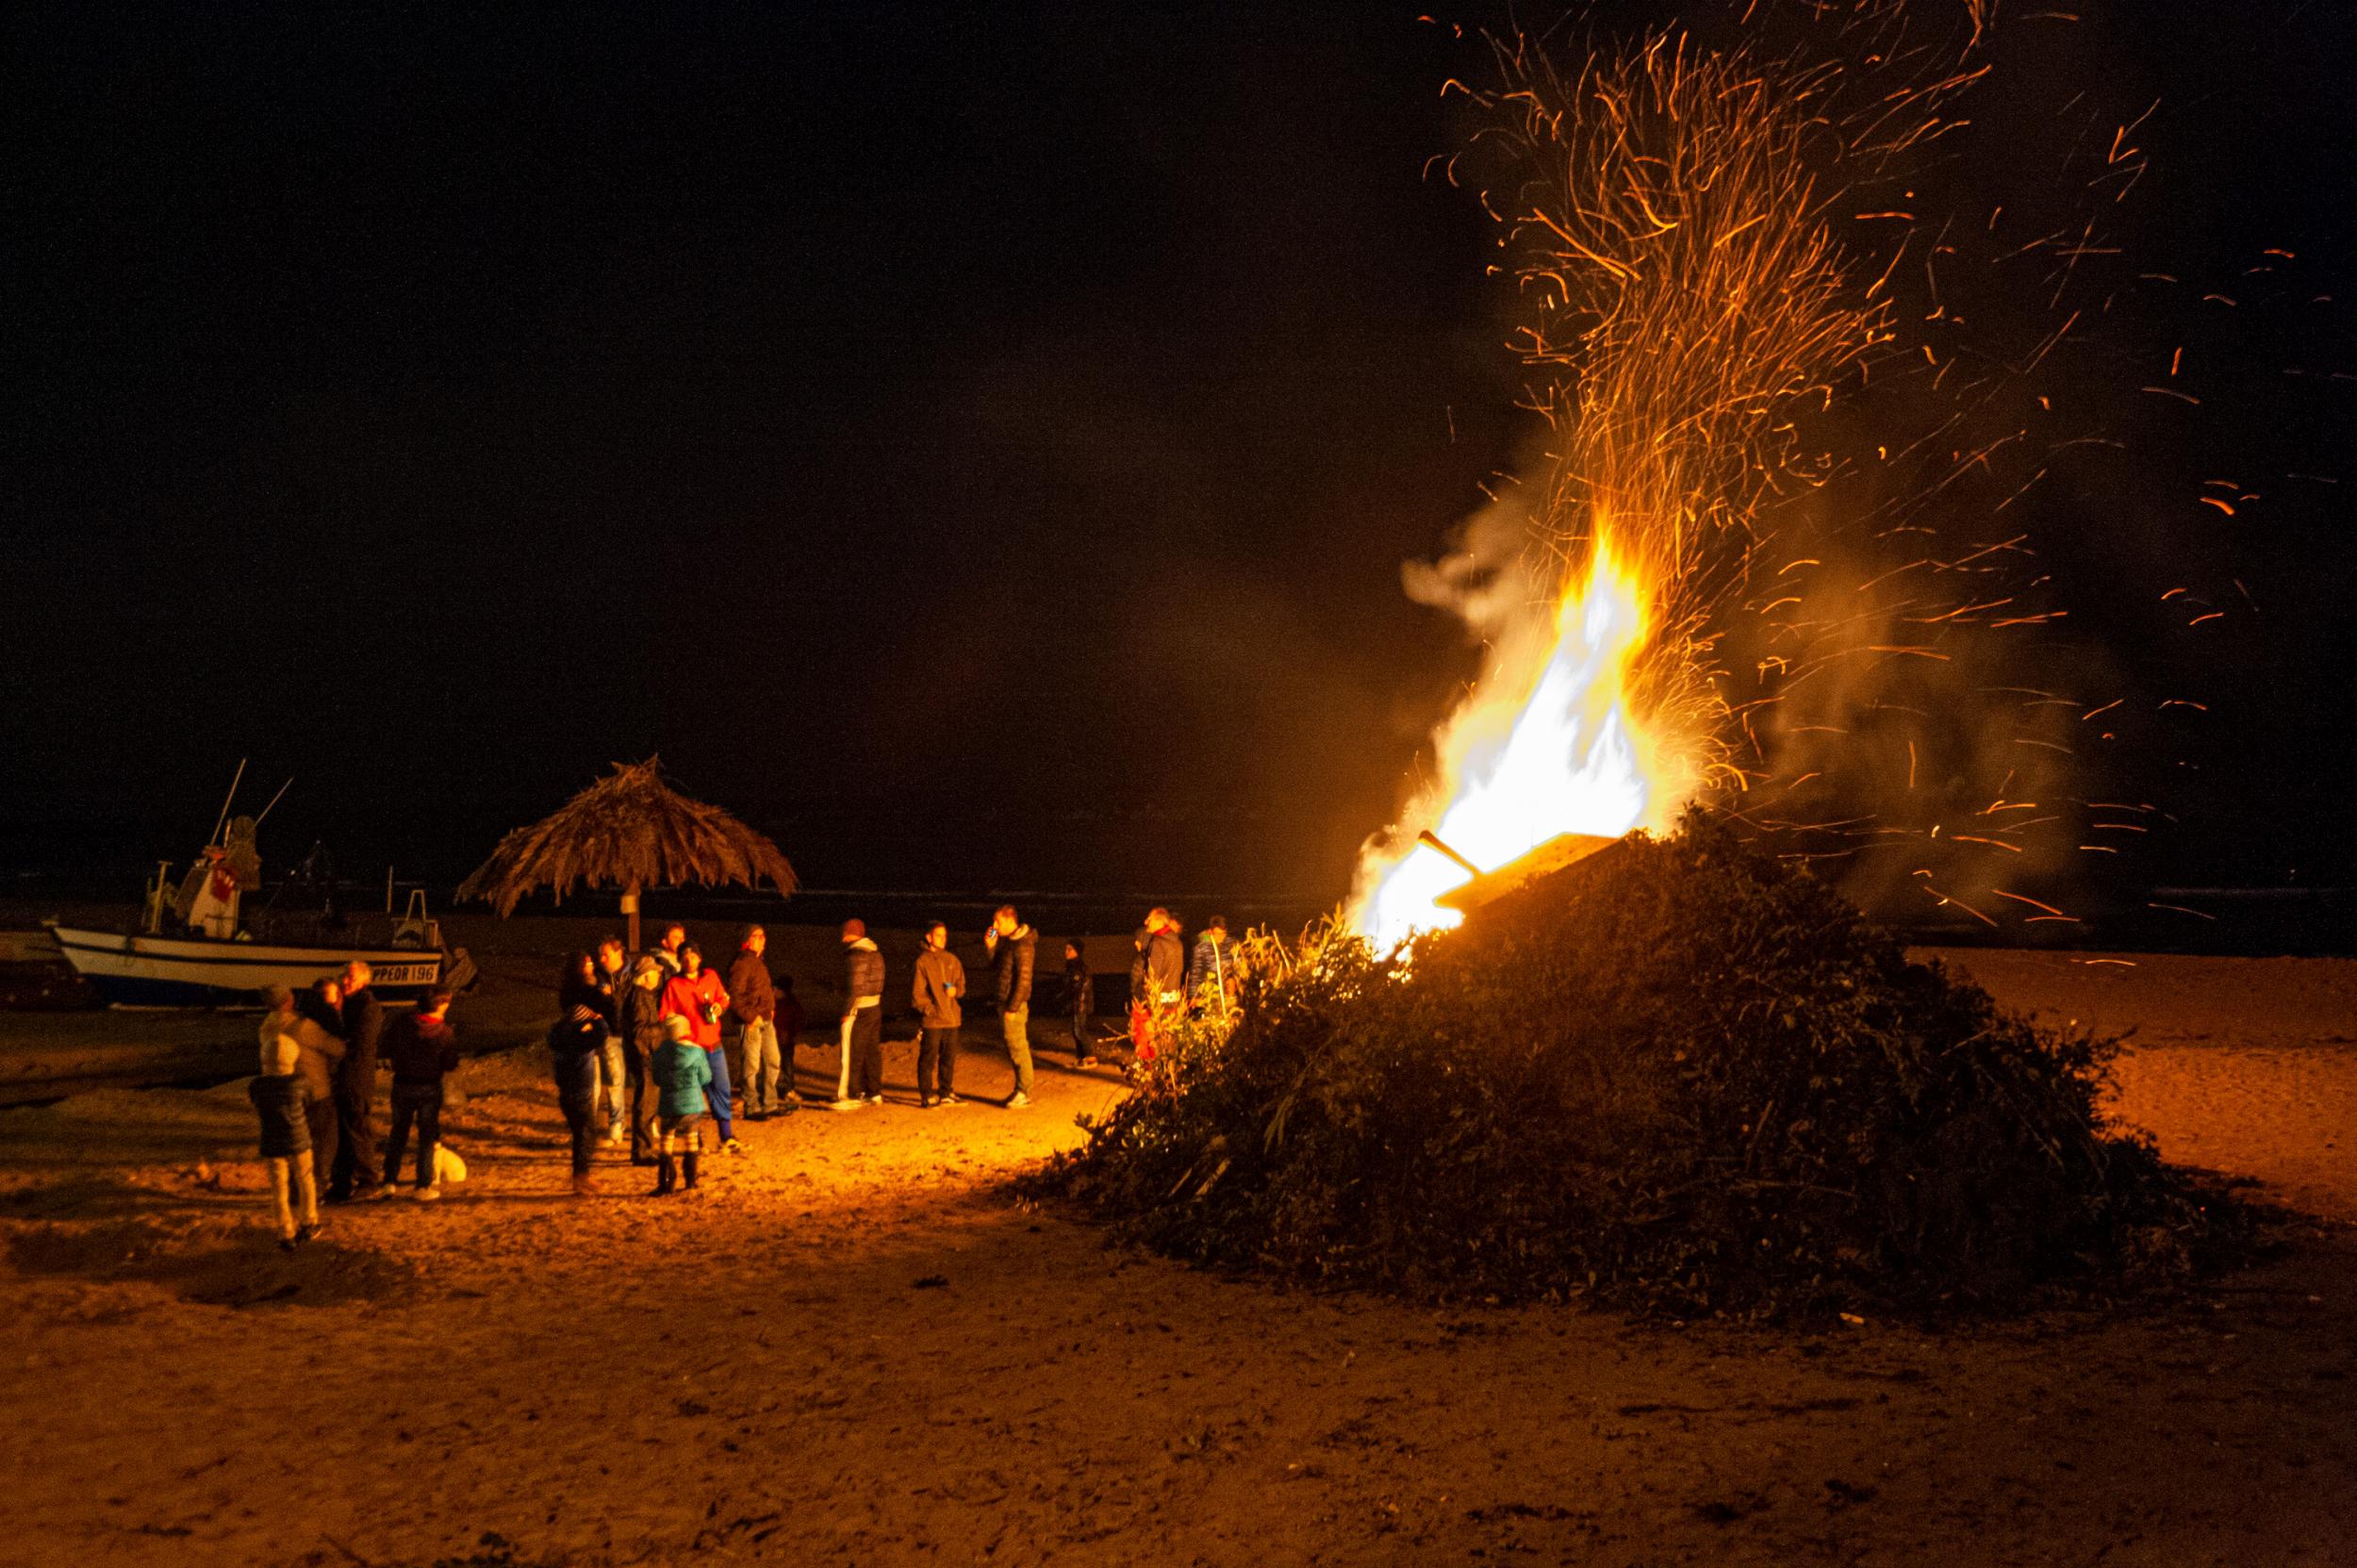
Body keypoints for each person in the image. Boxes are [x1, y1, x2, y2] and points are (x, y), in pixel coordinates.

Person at [253, 987, 321, 1249]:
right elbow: (310, 1097)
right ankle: (309, 1221)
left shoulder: (258, 1087)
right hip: (299, 1140)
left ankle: (285, 1232)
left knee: (278, 1188)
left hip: (271, 1142)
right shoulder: (299, 1083)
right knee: (305, 1180)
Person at [381, 989, 460, 1198]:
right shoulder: (443, 1033)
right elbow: (450, 1063)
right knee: (426, 1136)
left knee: (398, 1132)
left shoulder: (402, 1024)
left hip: (402, 1084)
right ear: (440, 1006)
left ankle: (389, 1181)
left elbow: (386, 1046)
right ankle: (422, 1184)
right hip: (429, 1086)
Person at [662, 942, 741, 1151]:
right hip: (690, 1050)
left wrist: (720, 1006)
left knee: (722, 1090)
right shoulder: (674, 985)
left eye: (693, 956)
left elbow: (723, 999)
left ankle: (726, 1137)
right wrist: (679, 1034)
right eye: (685, 957)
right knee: (693, 1095)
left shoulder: (710, 977)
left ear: (700, 958)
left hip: (714, 1045)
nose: (690, 961)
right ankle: (695, 1140)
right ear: (680, 961)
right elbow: (665, 1015)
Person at [326, 960, 386, 1202]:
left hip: (356, 1078)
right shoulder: (347, 1004)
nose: (346, 981)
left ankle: (368, 1180)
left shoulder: (368, 1008)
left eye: (351, 977)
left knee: (358, 1128)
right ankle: (341, 1182)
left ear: (364, 981)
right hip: (343, 1078)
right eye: (344, 976)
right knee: (342, 1131)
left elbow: (359, 1043)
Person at [552, 952, 607, 1195]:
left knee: (583, 1135)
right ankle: (580, 1178)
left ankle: (582, 1176)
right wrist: (598, 1021)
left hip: (569, 1091)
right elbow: (601, 1033)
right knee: (585, 1135)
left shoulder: (561, 1036)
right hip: (579, 1091)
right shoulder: (579, 1041)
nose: (591, 967)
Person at [294, 977, 347, 1197]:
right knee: (323, 1140)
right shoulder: (313, 1026)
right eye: (322, 996)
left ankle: (299, 1187)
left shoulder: (290, 1023)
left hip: (303, 1090)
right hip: (318, 1090)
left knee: (304, 1141)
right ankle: (313, 1187)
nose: (327, 1001)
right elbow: (337, 1049)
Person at [650, 1015, 712, 1197]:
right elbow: (706, 1077)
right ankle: (691, 1181)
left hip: (669, 1104)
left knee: (666, 1145)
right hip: (692, 1104)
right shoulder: (697, 1052)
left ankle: (666, 1183)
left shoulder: (660, 1053)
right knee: (691, 1143)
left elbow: (657, 1079)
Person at [728, 925, 785, 1120]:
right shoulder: (743, 963)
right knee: (751, 1065)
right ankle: (751, 1107)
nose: (762, 939)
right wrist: (750, 1017)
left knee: (773, 1060)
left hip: (766, 1019)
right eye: (756, 936)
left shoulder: (758, 961)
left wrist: (770, 1008)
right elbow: (735, 997)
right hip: (752, 1020)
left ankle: (770, 1103)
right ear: (747, 940)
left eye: (763, 936)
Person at [983, 905, 1037, 1109]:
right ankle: (1021, 1089)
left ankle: (1024, 1091)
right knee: (1013, 1045)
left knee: (1017, 1046)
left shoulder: (1023, 945)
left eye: (998, 922)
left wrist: (1012, 1008)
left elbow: (1024, 980)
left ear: (1009, 920)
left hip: (1013, 1004)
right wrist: (991, 946)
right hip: (1005, 1001)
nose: (995, 925)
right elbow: (998, 968)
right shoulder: (1010, 943)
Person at [621, 953, 670, 1164]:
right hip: (644, 1056)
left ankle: (644, 1149)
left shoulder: (643, 995)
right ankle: (642, 1152)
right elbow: (640, 1032)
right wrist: (664, 1029)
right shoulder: (640, 997)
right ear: (645, 976)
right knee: (646, 1105)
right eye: (655, 973)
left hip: (644, 1055)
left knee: (647, 1104)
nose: (658, 976)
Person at [911, 921, 965, 1108]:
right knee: (928, 1058)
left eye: (945, 935)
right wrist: (931, 1011)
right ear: (929, 937)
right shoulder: (922, 962)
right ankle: (926, 1094)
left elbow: (962, 987)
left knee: (948, 1058)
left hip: (952, 1019)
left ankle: (946, 1091)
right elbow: (918, 995)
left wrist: (956, 991)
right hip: (933, 1021)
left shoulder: (952, 960)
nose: (943, 939)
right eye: (939, 935)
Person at [835, 919, 884, 1108]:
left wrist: (847, 1010)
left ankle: (851, 1093)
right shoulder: (876, 953)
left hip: (859, 1009)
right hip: (875, 1007)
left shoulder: (855, 956)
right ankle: (874, 1092)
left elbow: (855, 987)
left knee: (852, 1052)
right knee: (872, 1052)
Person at [592, 937, 631, 1147]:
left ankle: (649, 1123)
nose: (603, 959)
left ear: (618, 953)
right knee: (615, 1081)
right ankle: (616, 1125)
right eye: (601, 955)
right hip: (611, 1033)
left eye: (607, 954)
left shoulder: (631, 973)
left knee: (644, 1080)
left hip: (633, 1033)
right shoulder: (599, 977)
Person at [1187, 915, 1239, 1019]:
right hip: (1210, 996)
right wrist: (1194, 996)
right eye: (1217, 934)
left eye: (1223, 934)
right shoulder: (1202, 948)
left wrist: (1235, 979)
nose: (1220, 937)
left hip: (1229, 995)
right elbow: (1196, 973)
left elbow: (1240, 965)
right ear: (1210, 932)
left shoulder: (1233, 945)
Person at [1063, 940, 1097, 1068]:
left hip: (1080, 1003)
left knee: (1080, 1030)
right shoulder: (1071, 966)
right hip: (1074, 1003)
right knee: (1075, 1030)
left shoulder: (1080, 967)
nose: (1066, 952)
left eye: (1070, 949)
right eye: (1066, 949)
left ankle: (1091, 1058)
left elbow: (1082, 987)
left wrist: (1079, 1004)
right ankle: (1081, 1058)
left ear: (1077, 951)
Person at [775, 973, 807, 1108]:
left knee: (786, 1066)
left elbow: (798, 1020)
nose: (773, 992)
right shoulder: (777, 1004)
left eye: (776, 990)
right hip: (777, 1039)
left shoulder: (788, 1005)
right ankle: (780, 1090)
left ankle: (787, 1090)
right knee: (777, 1066)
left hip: (785, 1040)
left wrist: (792, 1034)